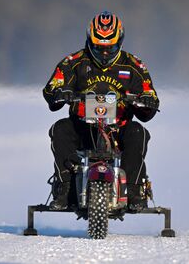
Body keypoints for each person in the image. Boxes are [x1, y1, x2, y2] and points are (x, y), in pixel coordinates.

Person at [42, 11, 159, 212]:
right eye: (98, 48)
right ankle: (65, 188)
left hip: (118, 130)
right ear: (89, 41)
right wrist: (63, 92)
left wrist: (144, 101)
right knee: (59, 129)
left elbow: (150, 102)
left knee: (138, 132)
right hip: (82, 128)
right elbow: (51, 90)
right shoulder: (74, 62)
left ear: (119, 42)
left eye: (110, 48)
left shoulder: (134, 65)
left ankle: (134, 190)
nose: (104, 54)